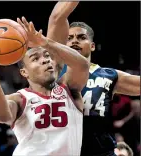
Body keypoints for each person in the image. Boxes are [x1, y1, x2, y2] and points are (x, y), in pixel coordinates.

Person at [0, 15, 89, 156]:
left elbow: (83, 65)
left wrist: (45, 42)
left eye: (47, 56)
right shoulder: (19, 99)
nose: (45, 60)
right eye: (36, 58)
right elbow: (2, 115)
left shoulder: (69, 89)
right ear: (24, 72)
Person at [47, 2, 140, 156]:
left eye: (81, 37)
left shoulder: (109, 75)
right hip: (65, 146)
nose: (74, 41)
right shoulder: (57, 67)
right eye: (69, 38)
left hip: (101, 148)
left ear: (92, 46)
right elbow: (57, 18)